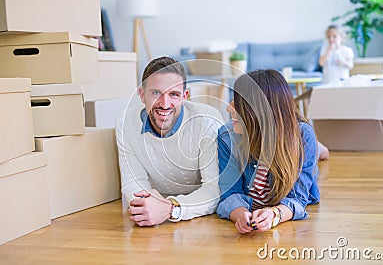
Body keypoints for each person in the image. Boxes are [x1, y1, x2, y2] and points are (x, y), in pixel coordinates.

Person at [116, 56, 223, 226]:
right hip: (152, 214)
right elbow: (133, 182)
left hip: (201, 220)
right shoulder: (126, 125)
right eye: (156, 93)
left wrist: (171, 208)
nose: (165, 104)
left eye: (173, 94)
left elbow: (214, 189)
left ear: (185, 96)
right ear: (142, 95)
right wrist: (146, 206)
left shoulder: (206, 122)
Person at [216, 69, 320, 233]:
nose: (229, 108)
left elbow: (298, 198)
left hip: (289, 139)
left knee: (313, 144)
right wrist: (240, 214)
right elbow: (229, 193)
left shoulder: (303, 136)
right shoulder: (226, 136)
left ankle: (320, 149)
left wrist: (275, 214)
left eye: (238, 103)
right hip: (270, 139)